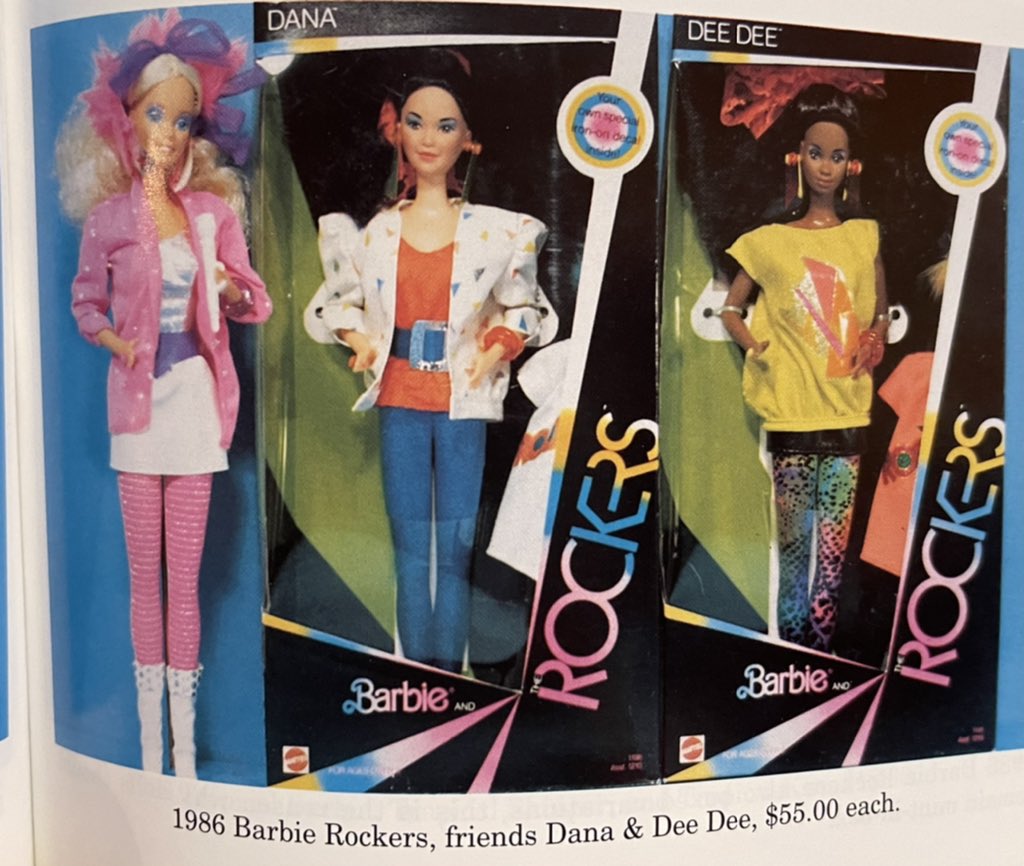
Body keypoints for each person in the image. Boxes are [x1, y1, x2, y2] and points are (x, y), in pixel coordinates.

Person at [57, 10, 271, 775]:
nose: (170, 134)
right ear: (125, 119)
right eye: (156, 115)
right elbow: (86, 302)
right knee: (141, 578)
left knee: (188, 581)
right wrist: (115, 342)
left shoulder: (211, 214)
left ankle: (183, 748)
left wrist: (231, 292)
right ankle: (151, 747)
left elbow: (253, 297)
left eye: (183, 120)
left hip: (194, 404)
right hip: (136, 407)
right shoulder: (109, 219)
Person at [309, 60, 557, 673]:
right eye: (416, 123)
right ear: (396, 130)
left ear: (468, 138)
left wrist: (497, 346)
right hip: (398, 396)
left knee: (454, 547)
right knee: (409, 545)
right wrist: (361, 340)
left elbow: (528, 308)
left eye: (445, 126)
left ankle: (451, 672)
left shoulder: (497, 232)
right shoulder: (377, 232)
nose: (427, 139)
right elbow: (340, 301)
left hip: (462, 400)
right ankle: (414, 671)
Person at [718, 86, 888, 651]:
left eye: (837, 156)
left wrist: (874, 338)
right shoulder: (767, 242)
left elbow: (880, 312)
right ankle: (791, 647)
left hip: (846, 413)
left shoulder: (863, 236)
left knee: (833, 553)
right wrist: (756, 346)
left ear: (851, 165)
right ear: (797, 156)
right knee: (793, 545)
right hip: (791, 413)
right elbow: (731, 309)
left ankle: (822, 651)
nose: (826, 167)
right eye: (816, 153)